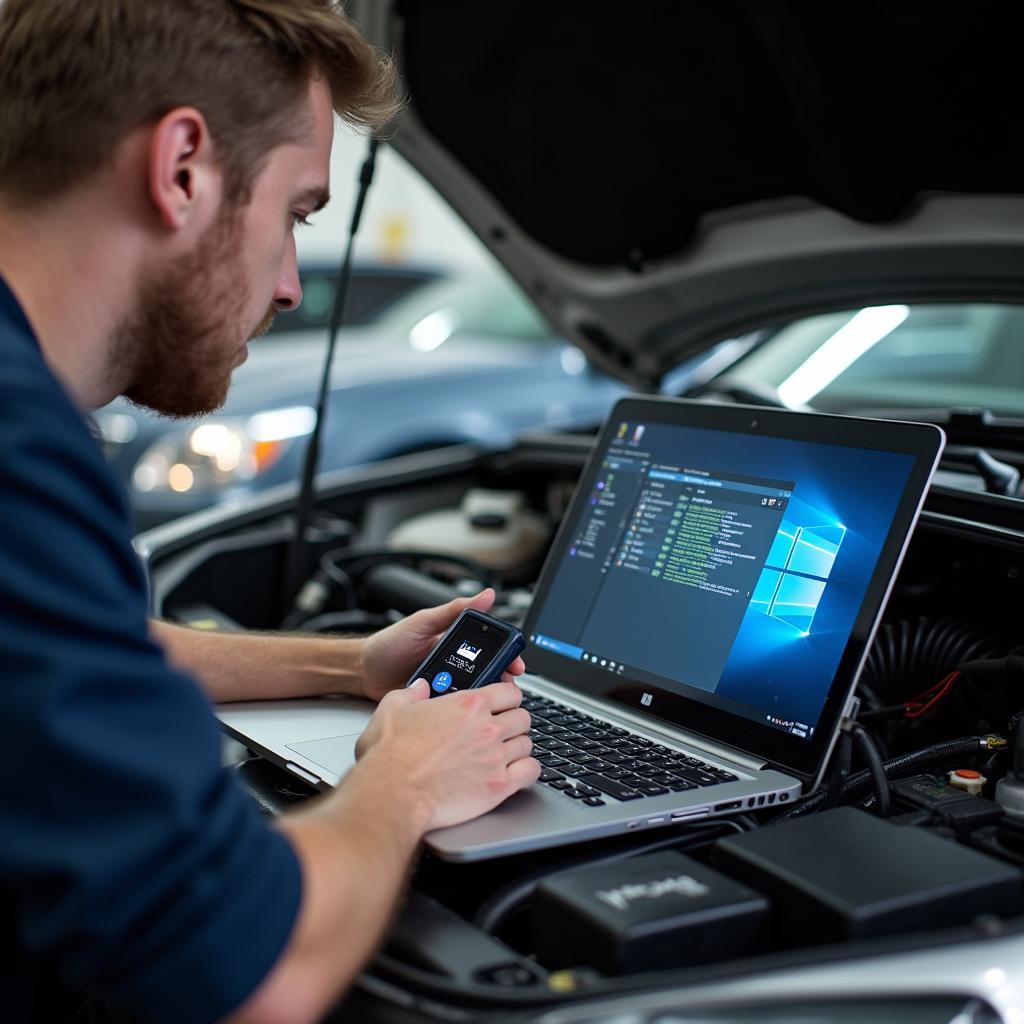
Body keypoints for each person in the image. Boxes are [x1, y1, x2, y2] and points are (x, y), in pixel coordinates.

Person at [0, 2, 539, 1022]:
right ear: (184, 167)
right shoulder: (18, 449)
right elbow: (250, 972)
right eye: (296, 213)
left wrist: (349, 665)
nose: (291, 285)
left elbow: (92, 648)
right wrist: (407, 782)